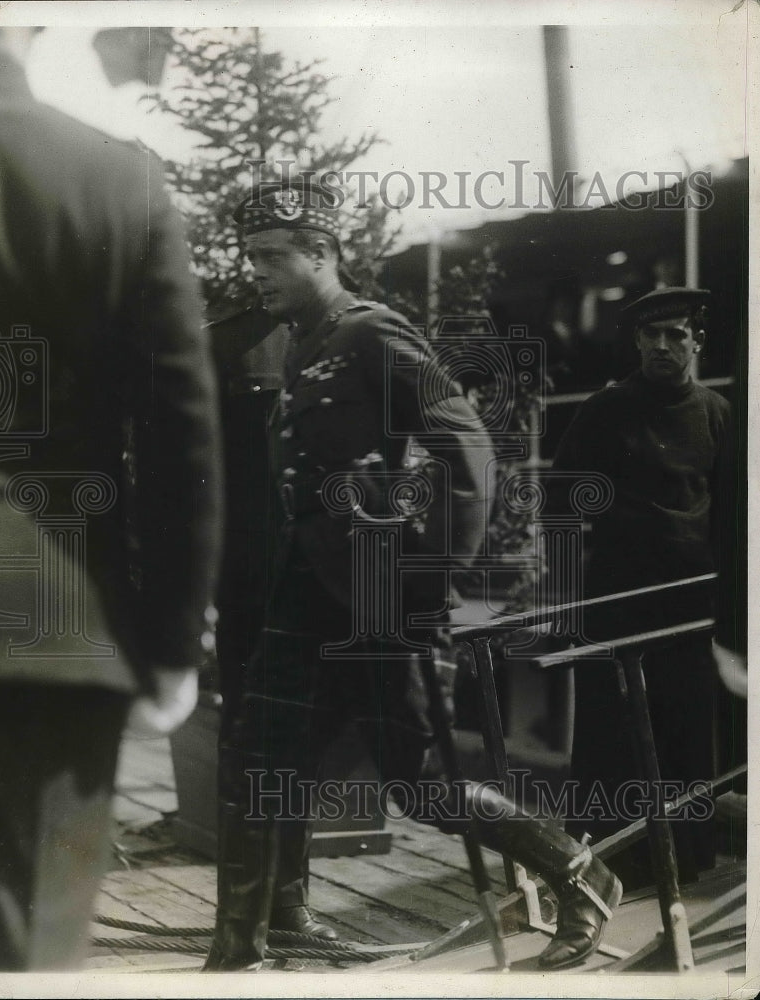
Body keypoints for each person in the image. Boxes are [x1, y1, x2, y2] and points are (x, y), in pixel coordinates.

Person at [202, 179, 622, 972]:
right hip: (307, 592)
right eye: (249, 255)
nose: (254, 270)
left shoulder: (370, 333)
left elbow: (466, 448)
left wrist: (425, 579)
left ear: (321, 254)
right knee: (257, 765)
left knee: (420, 782)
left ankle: (580, 872)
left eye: (271, 257)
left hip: (377, 593)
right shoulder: (303, 341)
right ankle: (236, 956)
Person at [0, 27, 222, 969]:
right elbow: (176, 422)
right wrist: (168, 644)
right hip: (48, 628)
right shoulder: (113, 175)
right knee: (30, 947)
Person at [553, 287, 731, 889]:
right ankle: (608, 866)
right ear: (635, 341)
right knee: (612, 732)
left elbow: (735, 515)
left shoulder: (716, 412)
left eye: (675, 334)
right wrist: (568, 601)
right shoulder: (605, 411)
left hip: (691, 605)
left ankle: (686, 860)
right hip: (617, 601)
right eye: (651, 335)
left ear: (696, 341)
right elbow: (562, 504)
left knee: (685, 728)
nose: (662, 345)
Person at [209, 300, 337, 939]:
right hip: (250, 586)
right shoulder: (225, 342)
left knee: (307, 741)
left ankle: (288, 900)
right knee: (249, 739)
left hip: (327, 578)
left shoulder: (353, 333)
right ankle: (246, 909)